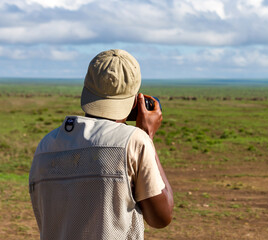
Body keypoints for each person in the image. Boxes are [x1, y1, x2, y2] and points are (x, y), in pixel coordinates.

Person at [29, 49, 174, 240]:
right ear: (135, 100)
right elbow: (161, 218)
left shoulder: (46, 145)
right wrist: (147, 137)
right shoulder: (134, 141)